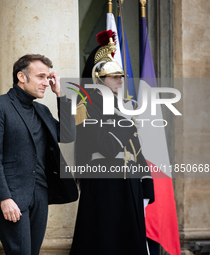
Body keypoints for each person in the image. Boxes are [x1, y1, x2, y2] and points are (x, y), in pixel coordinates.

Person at [0, 54, 78, 255]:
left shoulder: (41, 110)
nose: (46, 83)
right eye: (41, 77)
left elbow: (67, 134)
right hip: (12, 196)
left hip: (40, 194)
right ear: (22, 77)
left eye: (48, 78)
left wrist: (60, 95)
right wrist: (4, 198)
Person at [70, 31, 155, 255]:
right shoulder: (86, 107)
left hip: (128, 183)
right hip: (104, 185)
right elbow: (107, 147)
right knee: (105, 244)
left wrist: (145, 182)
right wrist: (127, 122)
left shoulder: (121, 106)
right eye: (114, 76)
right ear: (98, 79)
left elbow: (136, 148)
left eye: (121, 76)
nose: (120, 80)